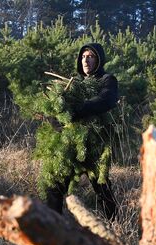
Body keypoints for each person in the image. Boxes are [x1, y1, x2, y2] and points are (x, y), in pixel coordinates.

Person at [44, 42, 118, 219]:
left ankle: (114, 225)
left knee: (102, 187)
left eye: (91, 56)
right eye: (83, 57)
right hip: (71, 144)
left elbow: (105, 100)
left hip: (95, 144)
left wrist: (77, 111)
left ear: (98, 59)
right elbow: (57, 109)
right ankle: (53, 227)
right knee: (54, 184)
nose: (86, 60)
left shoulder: (107, 80)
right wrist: (58, 122)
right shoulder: (73, 83)